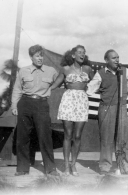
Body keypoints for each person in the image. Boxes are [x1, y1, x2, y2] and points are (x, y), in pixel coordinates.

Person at [11, 45, 59, 176]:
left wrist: (50, 89)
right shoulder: (23, 71)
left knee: (45, 136)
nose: (40, 58)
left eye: (41, 55)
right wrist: (14, 106)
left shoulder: (51, 70)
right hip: (25, 103)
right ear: (31, 57)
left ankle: (50, 168)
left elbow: (61, 79)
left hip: (41, 104)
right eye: (37, 56)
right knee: (23, 137)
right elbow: (17, 89)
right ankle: (22, 168)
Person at [86, 49, 128, 175]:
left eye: (118, 57)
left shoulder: (125, 71)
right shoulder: (100, 73)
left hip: (122, 107)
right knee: (106, 139)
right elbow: (89, 90)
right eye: (113, 58)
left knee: (122, 138)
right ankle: (105, 166)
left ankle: (124, 165)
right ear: (106, 60)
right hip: (106, 108)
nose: (117, 60)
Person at [51, 45, 94, 176]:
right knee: (68, 135)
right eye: (79, 52)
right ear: (73, 55)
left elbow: (97, 82)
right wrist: (40, 90)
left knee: (77, 136)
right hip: (68, 100)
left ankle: (73, 164)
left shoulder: (87, 69)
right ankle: (66, 166)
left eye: (84, 53)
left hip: (82, 101)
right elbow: (55, 85)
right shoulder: (65, 69)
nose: (82, 55)